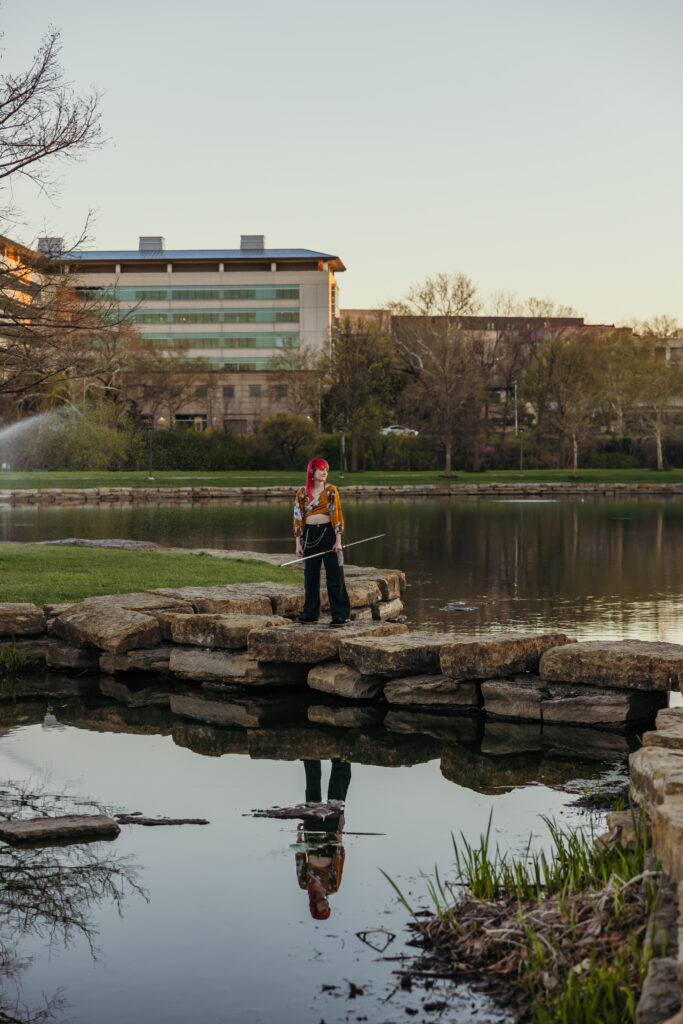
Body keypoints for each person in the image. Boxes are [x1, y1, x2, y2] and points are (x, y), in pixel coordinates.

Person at [293, 458, 351, 626]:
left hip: (328, 534)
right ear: (312, 472)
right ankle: (311, 613)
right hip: (309, 536)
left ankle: (341, 615)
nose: (324, 472)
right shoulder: (301, 493)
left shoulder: (331, 490)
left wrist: (338, 541)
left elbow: (337, 515)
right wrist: (298, 543)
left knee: (335, 576)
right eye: (320, 469)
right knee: (310, 577)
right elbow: (298, 518)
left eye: (326, 469)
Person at [295, 759, 351, 920]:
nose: (326, 906)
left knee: (312, 797)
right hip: (329, 841)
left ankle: (310, 758)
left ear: (314, 907)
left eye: (323, 910)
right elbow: (338, 865)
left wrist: (299, 836)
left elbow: (300, 860)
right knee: (336, 801)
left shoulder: (304, 884)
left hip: (312, 837)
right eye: (328, 909)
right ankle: (341, 761)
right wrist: (339, 842)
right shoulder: (332, 887)